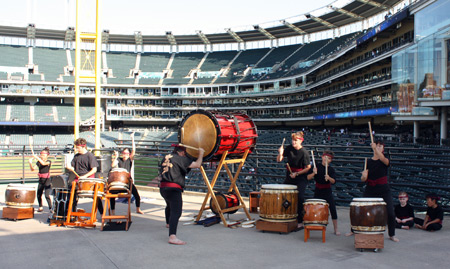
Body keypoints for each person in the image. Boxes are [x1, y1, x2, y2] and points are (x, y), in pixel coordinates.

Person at [353, 140, 399, 242]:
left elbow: (382, 159)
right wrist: (363, 177)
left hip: (383, 189)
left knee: (391, 213)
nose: (378, 147)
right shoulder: (368, 162)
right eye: (376, 146)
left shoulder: (384, 160)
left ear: (383, 149)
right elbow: (363, 179)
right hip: (370, 188)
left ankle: (392, 234)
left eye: (380, 146)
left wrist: (375, 149)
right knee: (361, 210)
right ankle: (354, 230)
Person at [159, 144, 204, 245]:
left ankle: (168, 223)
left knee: (169, 205)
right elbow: (197, 164)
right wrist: (201, 154)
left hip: (163, 188)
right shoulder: (180, 158)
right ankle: (172, 236)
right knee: (176, 211)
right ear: (182, 152)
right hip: (173, 188)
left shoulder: (165, 157)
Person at [277, 131, 311, 229]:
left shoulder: (304, 152)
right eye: (292, 140)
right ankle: (285, 215)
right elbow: (279, 160)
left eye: (295, 140)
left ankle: (300, 220)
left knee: (300, 197)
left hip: (300, 177)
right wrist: (280, 153)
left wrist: (297, 174)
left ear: (301, 141)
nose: (293, 142)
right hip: (289, 176)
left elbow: (308, 167)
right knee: (282, 194)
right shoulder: (289, 148)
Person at [65, 138, 103, 216]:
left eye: (78, 148)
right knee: (71, 195)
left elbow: (94, 169)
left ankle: (102, 214)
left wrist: (84, 177)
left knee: (96, 197)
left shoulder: (90, 156)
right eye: (76, 147)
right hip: (78, 179)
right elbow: (71, 166)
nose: (76, 149)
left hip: (88, 179)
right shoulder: (76, 156)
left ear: (83, 146)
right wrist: (69, 167)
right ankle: (71, 214)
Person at [307, 150, 340, 235]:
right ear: (322, 157)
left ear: (330, 160)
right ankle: (312, 225)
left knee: (332, 208)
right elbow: (308, 178)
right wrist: (314, 173)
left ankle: (336, 229)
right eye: (325, 157)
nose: (326, 159)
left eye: (328, 158)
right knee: (314, 208)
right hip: (318, 190)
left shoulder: (331, 169)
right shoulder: (316, 166)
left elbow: (334, 181)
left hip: (327, 191)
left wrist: (329, 178)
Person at [110, 132, 144, 214]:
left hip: (127, 181)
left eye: (126, 153)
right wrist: (115, 156)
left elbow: (134, 150)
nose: (125, 155)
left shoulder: (129, 160)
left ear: (129, 154)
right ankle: (113, 212)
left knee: (137, 195)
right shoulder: (119, 159)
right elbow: (113, 165)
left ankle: (138, 209)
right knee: (111, 195)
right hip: (119, 181)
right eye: (123, 153)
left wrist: (132, 138)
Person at [28, 147, 52, 212]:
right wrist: (30, 163)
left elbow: (43, 164)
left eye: (44, 155)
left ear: (47, 155)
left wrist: (36, 157)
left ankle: (50, 208)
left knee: (47, 195)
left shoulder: (48, 161)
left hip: (47, 179)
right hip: (41, 179)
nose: (42, 156)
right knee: (39, 194)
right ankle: (40, 206)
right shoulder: (38, 162)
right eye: (41, 155)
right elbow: (32, 169)